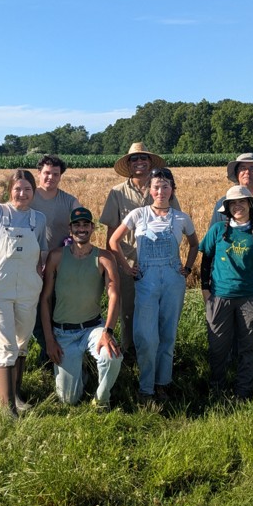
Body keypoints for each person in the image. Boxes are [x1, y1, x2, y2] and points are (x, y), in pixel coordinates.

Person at [109, 167, 198, 404]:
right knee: (146, 336)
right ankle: (145, 386)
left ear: (172, 190)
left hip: (173, 281)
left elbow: (195, 245)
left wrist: (187, 269)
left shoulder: (181, 218)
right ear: (150, 190)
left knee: (167, 335)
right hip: (145, 281)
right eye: (156, 186)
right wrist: (127, 269)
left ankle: (162, 384)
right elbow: (113, 240)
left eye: (166, 186)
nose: (161, 190)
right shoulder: (138, 215)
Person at [0, 169, 48, 417]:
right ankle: (7, 407)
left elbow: (42, 252)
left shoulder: (39, 219)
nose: (22, 193)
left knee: (21, 341)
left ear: (33, 192)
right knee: (4, 343)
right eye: (18, 188)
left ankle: (17, 395)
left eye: (27, 189)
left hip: (28, 287)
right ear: (9, 190)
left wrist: (40, 273)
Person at [100, 143, 181, 359]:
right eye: (134, 159)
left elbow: (177, 224)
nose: (139, 163)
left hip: (159, 265)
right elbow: (111, 235)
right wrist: (118, 267)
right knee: (128, 312)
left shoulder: (163, 189)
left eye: (143, 158)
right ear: (128, 164)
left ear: (150, 162)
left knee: (156, 311)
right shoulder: (117, 193)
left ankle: (155, 354)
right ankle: (130, 354)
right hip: (127, 262)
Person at [199, 185, 253, 400]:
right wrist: (205, 290)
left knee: (247, 348)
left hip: (250, 300)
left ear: (251, 206)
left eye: (242, 202)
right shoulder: (217, 231)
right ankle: (217, 390)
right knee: (218, 348)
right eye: (233, 203)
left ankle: (243, 391)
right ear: (227, 208)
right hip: (219, 297)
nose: (238, 206)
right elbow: (205, 260)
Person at [40, 207, 123, 410]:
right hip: (63, 332)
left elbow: (114, 296)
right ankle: (80, 370)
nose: (81, 229)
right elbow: (45, 300)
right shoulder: (56, 257)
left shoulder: (104, 258)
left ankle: (101, 400)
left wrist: (108, 332)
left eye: (86, 224)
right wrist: (50, 341)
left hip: (92, 328)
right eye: (77, 225)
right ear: (70, 229)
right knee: (68, 399)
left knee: (112, 357)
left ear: (92, 228)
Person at [210, 153, 253, 373]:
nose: (247, 172)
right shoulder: (224, 202)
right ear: (236, 174)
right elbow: (214, 242)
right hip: (231, 280)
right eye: (242, 168)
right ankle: (233, 368)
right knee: (234, 328)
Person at [29, 154, 80, 368]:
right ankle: (46, 351)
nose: (50, 177)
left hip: (60, 266)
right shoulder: (27, 197)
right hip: (30, 265)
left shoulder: (69, 201)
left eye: (55, 174)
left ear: (61, 176)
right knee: (34, 313)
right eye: (47, 173)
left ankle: (57, 354)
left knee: (56, 309)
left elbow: (81, 226)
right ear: (38, 173)